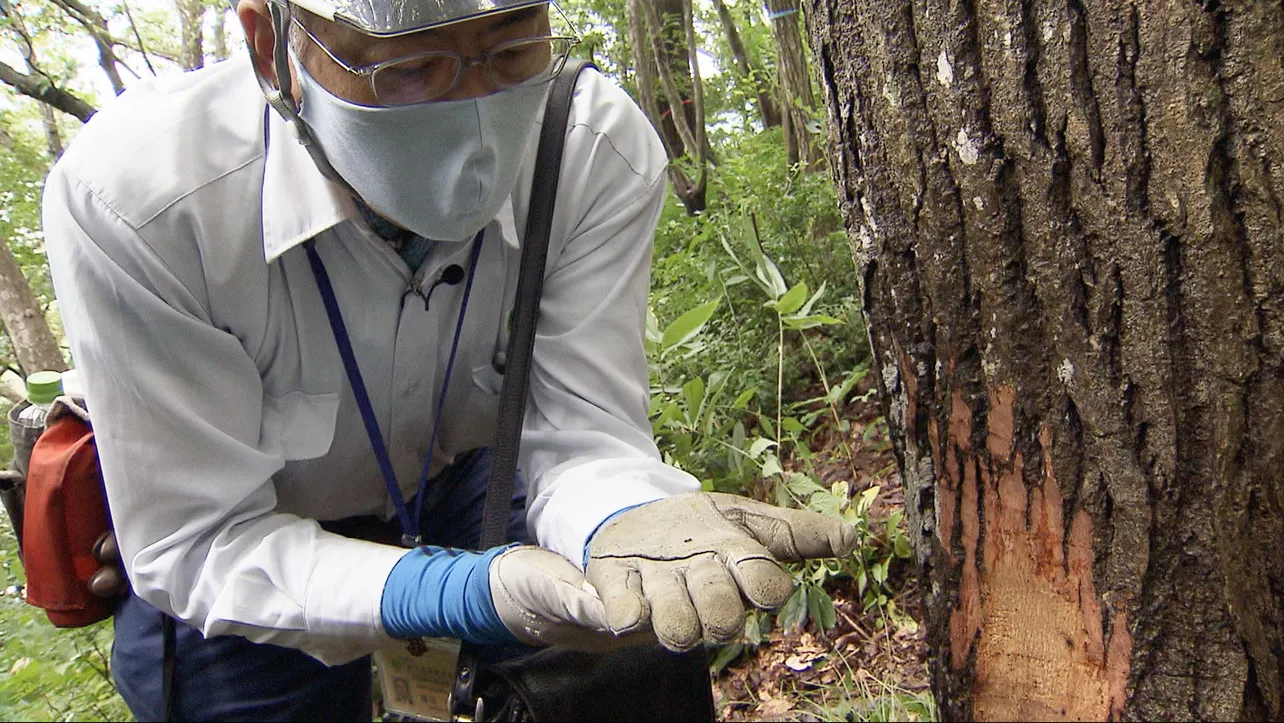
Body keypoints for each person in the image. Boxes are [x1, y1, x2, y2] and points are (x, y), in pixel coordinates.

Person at [41, 0, 859, 720]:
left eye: (512, 48)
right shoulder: (144, 203)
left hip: (462, 464)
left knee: (627, 646)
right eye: (408, 67)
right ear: (272, 47)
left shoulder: (586, 148)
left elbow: (581, 429)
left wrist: (625, 517)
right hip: (242, 516)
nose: (474, 108)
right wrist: (461, 592)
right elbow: (199, 538)